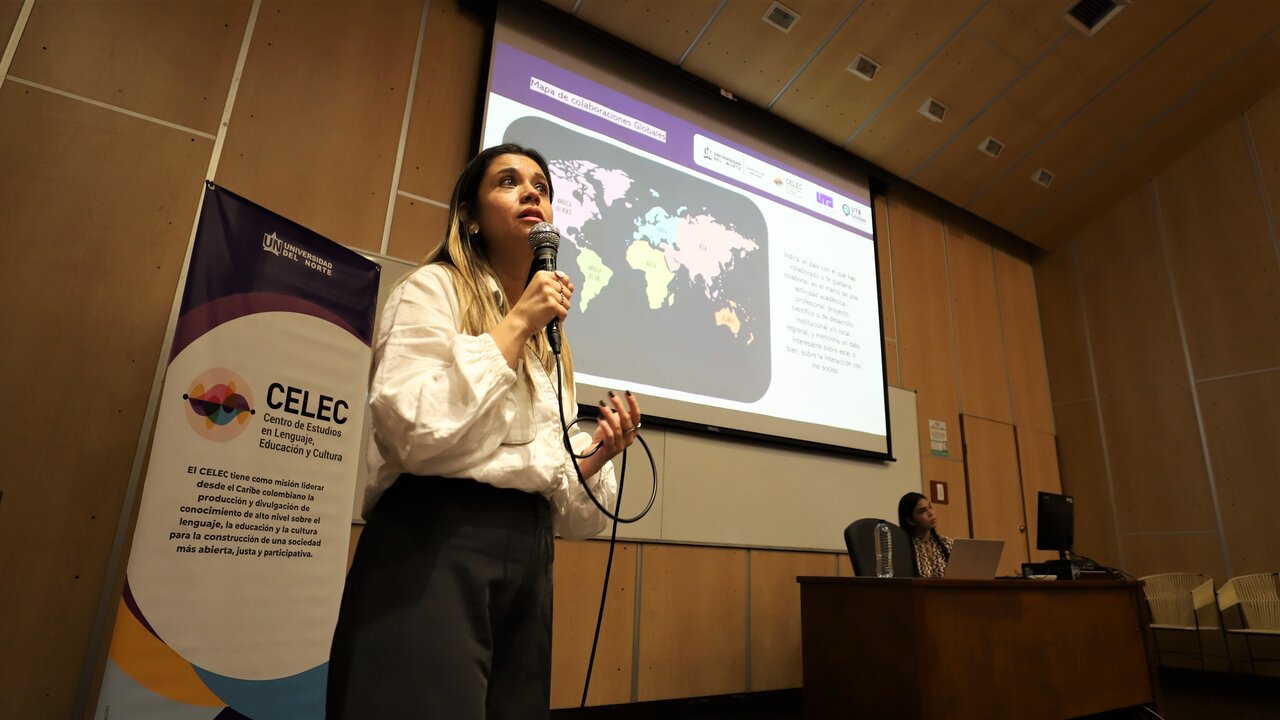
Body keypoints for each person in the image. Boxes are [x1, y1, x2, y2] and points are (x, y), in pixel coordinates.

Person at [326, 143, 641, 719]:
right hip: (437, 541)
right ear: (469, 214)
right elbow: (409, 427)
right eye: (508, 181)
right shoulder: (432, 290)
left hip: (530, 556)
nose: (532, 193)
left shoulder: (555, 344)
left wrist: (593, 456)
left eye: (542, 187)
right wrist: (519, 320)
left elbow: (562, 494)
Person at [898, 491, 953, 578]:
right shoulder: (903, 548)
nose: (931, 513)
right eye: (922, 511)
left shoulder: (947, 543)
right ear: (910, 521)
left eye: (930, 507)